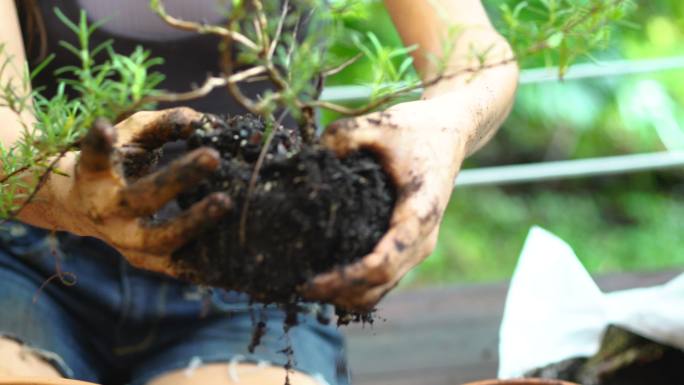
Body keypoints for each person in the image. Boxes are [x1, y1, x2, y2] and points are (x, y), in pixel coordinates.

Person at [0, 1, 519, 384]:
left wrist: (444, 125)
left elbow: (469, 52)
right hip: (29, 256)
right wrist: (69, 191)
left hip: (254, 263)